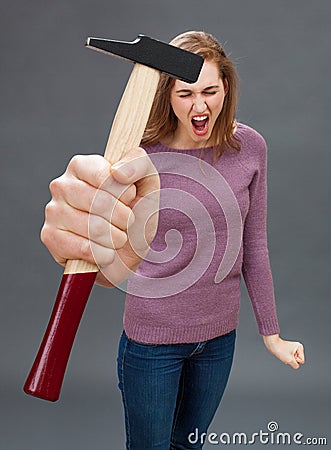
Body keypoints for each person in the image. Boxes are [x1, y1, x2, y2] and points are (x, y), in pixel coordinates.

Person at [41, 31, 305, 449]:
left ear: (227, 90)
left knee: (189, 446)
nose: (200, 105)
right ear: (167, 96)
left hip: (219, 340)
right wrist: (87, 239)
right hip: (151, 344)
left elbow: (253, 248)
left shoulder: (250, 147)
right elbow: (113, 262)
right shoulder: (138, 157)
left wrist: (271, 334)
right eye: (186, 93)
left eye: (211, 91)